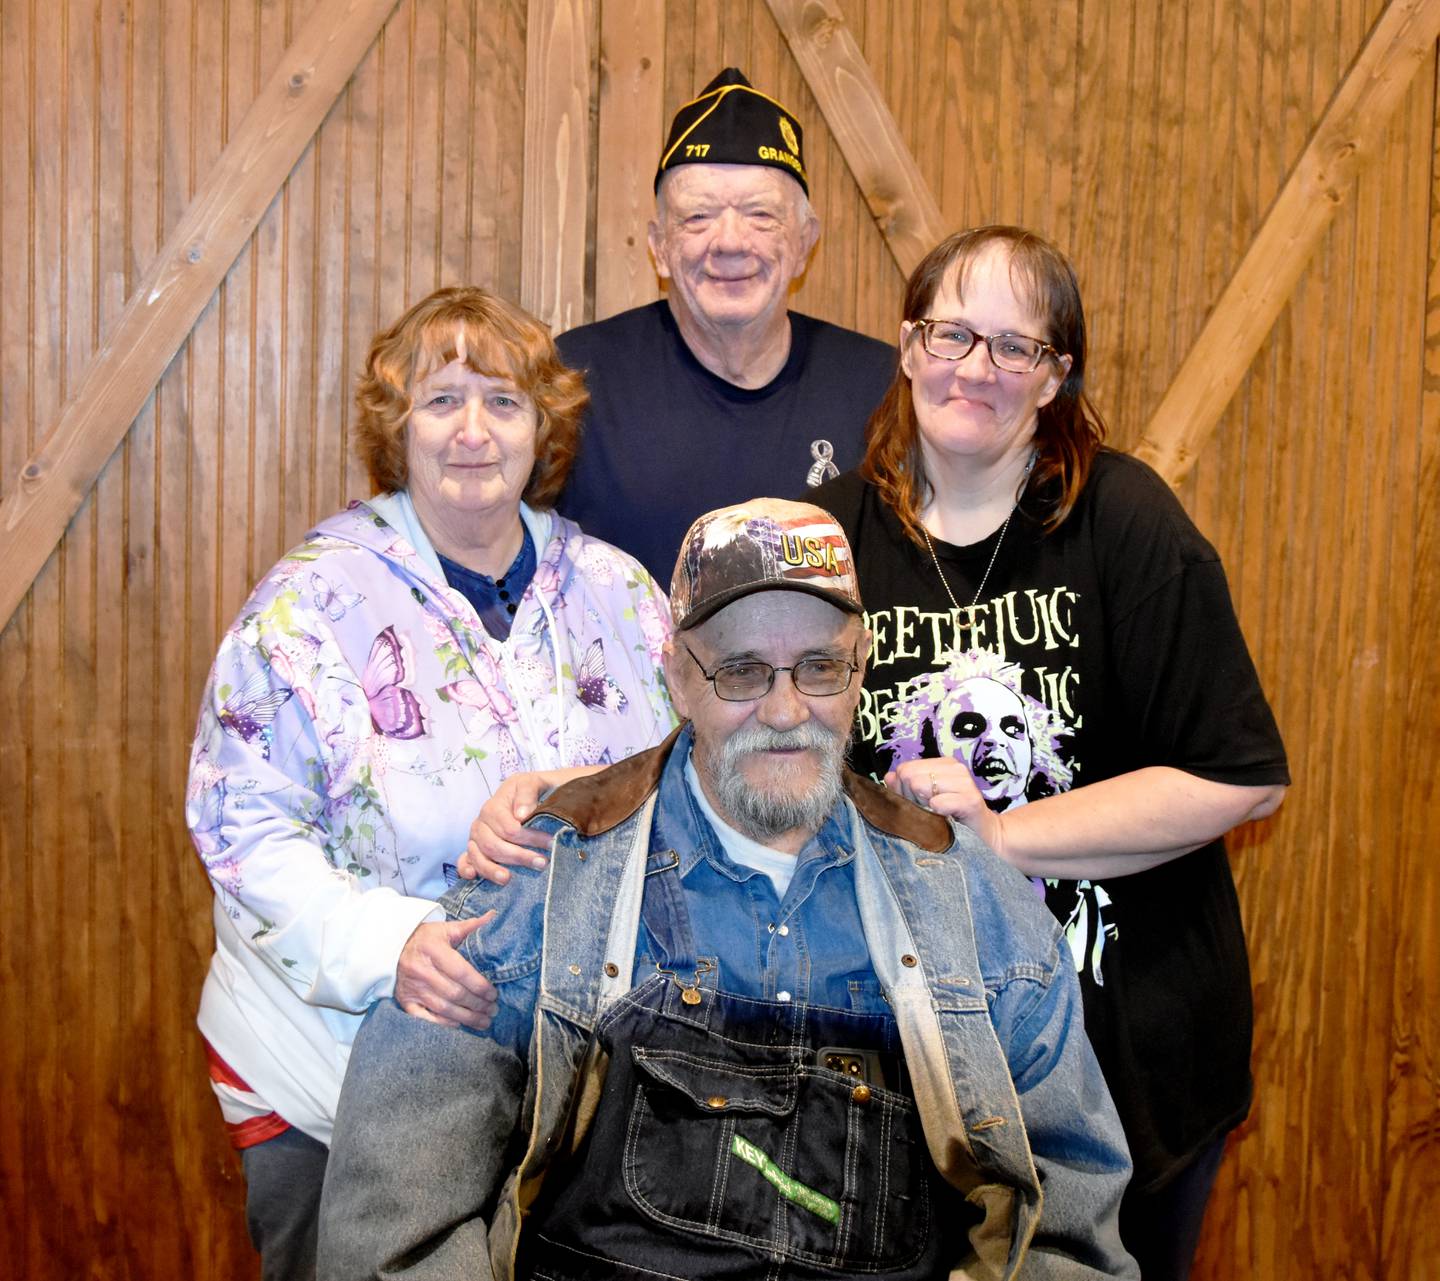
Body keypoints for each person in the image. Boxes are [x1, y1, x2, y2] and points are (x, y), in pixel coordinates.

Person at [317, 498, 1138, 1281]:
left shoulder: (972, 905)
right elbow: (396, 1223)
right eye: (741, 672)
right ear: (677, 678)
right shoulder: (540, 880)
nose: (786, 710)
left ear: (860, 669)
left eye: (818, 667)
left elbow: (1071, 1223)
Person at [809, 226, 1291, 1280]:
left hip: (1127, 1066)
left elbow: (1240, 774)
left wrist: (1003, 835)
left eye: (1014, 347)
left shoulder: (1124, 520)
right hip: (901, 1072)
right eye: (950, 334)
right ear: (905, 346)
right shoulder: (827, 537)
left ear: (1055, 377)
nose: (974, 369)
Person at [184, 285, 676, 1280]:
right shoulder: (311, 600)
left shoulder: (622, 594)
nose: (472, 431)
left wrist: (579, 791)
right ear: (395, 428)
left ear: (544, 428)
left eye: (503, 402)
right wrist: (393, 945)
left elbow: (687, 790)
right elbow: (242, 825)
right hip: (330, 1070)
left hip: (560, 1098)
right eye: (441, 401)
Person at [554, 67, 896, 583]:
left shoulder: (883, 387)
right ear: (659, 247)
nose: (731, 242)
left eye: (761, 215)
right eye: (698, 217)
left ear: (805, 243)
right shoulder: (572, 381)